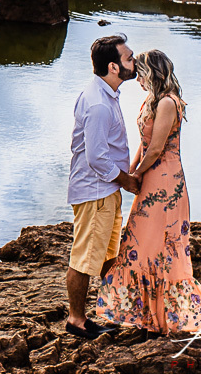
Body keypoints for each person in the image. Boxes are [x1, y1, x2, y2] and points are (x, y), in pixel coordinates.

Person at [95, 50, 201, 337]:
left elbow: (156, 148)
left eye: (140, 73)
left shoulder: (167, 103)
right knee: (139, 241)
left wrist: (137, 175)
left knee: (161, 248)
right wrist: (128, 174)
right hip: (151, 177)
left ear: (151, 72)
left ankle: (166, 317)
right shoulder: (151, 100)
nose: (137, 78)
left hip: (165, 184)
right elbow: (144, 143)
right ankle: (145, 313)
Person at [66, 34, 141, 340]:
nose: (133, 62)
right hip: (96, 191)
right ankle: (76, 320)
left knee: (108, 254)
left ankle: (107, 311)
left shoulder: (105, 92)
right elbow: (97, 157)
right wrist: (129, 182)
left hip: (106, 191)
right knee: (84, 259)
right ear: (113, 66)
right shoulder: (98, 103)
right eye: (128, 58)